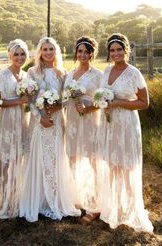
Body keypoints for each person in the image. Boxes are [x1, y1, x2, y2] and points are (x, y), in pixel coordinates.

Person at [19, 37, 80, 222]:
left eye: (51, 49)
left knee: (54, 157)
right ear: (39, 52)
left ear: (56, 52)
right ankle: (38, 200)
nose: (47, 53)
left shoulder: (62, 73)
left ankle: (55, 198)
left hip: (56, 121)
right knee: (38, 157)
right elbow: (29, 99)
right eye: (44, 49)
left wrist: (56, 107)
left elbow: (67, 98)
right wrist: (40, 117)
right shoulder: (31, 72)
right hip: (38, 122)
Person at [98, 33, 153, 232]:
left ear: (126, 50)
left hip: (127, 124)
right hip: (109, 125)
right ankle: (114, 207)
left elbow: (144, 103)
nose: (116, 53)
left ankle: (130, 208)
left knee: (127, 166)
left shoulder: (134, 73)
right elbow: (101, 95)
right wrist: (102, 103)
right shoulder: (106, 71)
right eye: (112, 50)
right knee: (113, 165)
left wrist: (119, 103)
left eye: (119, 49)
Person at [64, 36, 103, 224]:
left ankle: (94, 206)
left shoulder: (98, 75)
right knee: (73, 159)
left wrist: (88, 107)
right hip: (71, 120)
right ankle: (77, 199)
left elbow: (103, 100)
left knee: (91, 161)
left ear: (92, 54)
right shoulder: (69, 74)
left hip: (89, 120)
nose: (83, 55)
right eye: (80, 51)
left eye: (86, 52)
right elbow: (64, 98)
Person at [0, 39, 30, 219]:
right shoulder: (2, 75)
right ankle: (6, 199)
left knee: (19, 157)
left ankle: (17, 195)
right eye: (16, 54)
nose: (20, 57)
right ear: (10, 55)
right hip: (7, 120)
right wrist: (18, 101)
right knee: (7, 159)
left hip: (22, 119)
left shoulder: (26, 76)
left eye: (22, 54)